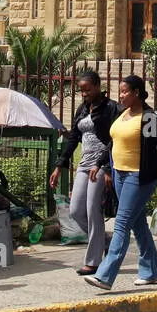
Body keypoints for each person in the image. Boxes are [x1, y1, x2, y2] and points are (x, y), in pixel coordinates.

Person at [83, 76, 157, 291]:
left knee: (121, 224)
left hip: (139, 178)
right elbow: (112, 143)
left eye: (125, 92)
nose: (121, 96)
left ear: (137, 92)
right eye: (120, 92)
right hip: (119, 175)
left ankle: (105, 275)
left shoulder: (149, 118)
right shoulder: (122, 114)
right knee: (138, 225)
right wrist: (99, 164)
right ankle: (152, 271)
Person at [49, 70, 119, 275]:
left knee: (92, 211)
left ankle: (93, 262)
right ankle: (106, 242)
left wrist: (105, 166)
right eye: (81, 90)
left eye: (88, 89)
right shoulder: (82, 109)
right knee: (76, 210)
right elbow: (73, 139)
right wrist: (59, 165)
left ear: (98, 86)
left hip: (101, 164)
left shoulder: (111, 108)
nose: (85, 93)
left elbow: (115, 139)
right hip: (84, 164)